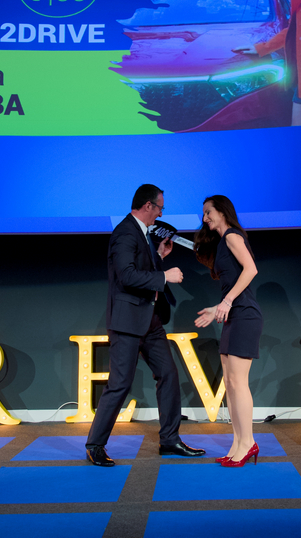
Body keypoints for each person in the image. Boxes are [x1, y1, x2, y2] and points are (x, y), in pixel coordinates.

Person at [85, 184, 205, 466]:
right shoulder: (125, 233)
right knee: (120, 384)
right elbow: (126, 276)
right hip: (127, 322)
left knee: (169, 374)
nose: (161, 214)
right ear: (148, 206)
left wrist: (159, 256)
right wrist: (165, 276)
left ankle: (170, 440)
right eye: (160, 208)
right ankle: (95, 445)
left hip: (150, 320)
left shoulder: (143, 233)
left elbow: (140, 267)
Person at [193, 195, 264, 467]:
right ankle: (237, 443)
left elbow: (251, 269)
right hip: (234, 315)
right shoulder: (222, 242)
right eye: (203, 214)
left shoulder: (233, 235)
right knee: (231, 385)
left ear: (222, 211)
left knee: (238, 382)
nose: (205, 218)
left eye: (208, 212)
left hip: (245, 315)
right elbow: (232, 283)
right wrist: (217, 308)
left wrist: (227, 301)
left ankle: (248, 443)